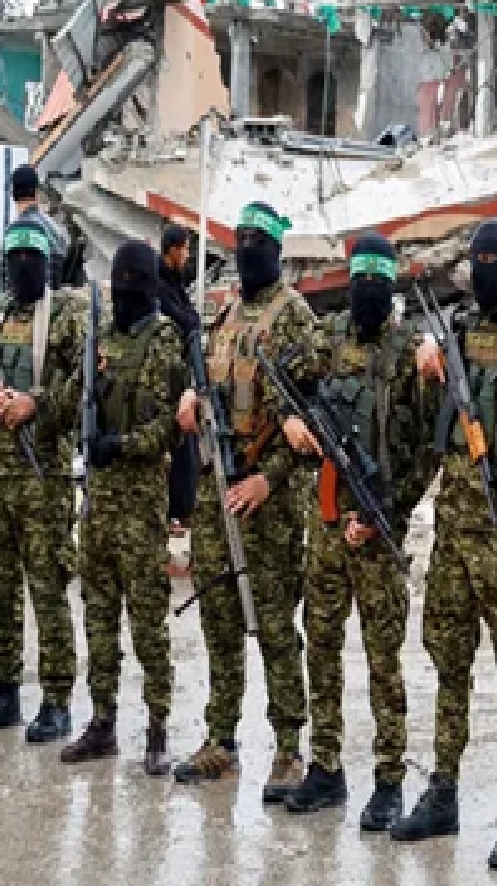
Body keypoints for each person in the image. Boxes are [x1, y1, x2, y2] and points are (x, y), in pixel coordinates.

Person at [393, 217, 497, 873]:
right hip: (455, 534)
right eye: (478, 261)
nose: (486, 272)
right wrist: (424, 364)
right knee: (448, 662)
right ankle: (443, 788)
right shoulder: (458, 331)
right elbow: (427, 424)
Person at [279, 233, 432, 830]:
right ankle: (325, 766)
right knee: (320, 644)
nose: (367, 289)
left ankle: (390, 777)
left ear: (391, 285)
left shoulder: (408, 351)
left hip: (377, 523)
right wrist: (290, 419)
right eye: (359, 277)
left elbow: (426, 449)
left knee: (383, 656)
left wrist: (388, 513)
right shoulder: (328, 337)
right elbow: (281, 374)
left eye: (377, 279)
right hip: (325, 523)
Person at [171, 201, 308, 803]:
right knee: (220, 623)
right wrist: (190, 400)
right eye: (241, 239)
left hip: (266, 503)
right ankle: (221, 740)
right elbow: (209, 384)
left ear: (276, 250)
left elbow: (310, 421)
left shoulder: (295, 317)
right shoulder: (225, 314)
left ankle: (289, 748)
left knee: (275, 627)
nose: (247, 250)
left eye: (258, 241)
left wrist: (267, 481)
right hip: (215, 496)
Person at [60, 240, 185, 775]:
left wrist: (122, 445)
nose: (125, 291)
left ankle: (157, 728)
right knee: (99, 616)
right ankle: (102, 721)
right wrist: (83, 381)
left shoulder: (165, 341)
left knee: (148, 622)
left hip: (140, 505)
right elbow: (68, 406)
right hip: (99, 505)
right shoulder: (102, 339)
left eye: (133, 280)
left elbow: (169, 428)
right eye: (120, 281)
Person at [0, 219, 84, 741]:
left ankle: (56, 699)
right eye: (15, 258)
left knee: (47, 589)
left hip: (42, 478)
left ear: (47, 262)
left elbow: (86, 384)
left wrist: (38, 403)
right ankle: (4, 687)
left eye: (32, 257)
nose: (22, 266)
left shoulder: (67, 317)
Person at [157, 224, 199, 528]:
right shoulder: (159, 284)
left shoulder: (174, 282)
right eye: (184, 249)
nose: (187, 255)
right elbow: (180, 320)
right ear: (172, 250)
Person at [7, 165, 70, 288]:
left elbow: (6, 279)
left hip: (16, 299)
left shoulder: (9, 233)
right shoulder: (52, 228)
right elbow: (60, 263)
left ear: (13, 194)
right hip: (48, 298)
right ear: (36, 192)